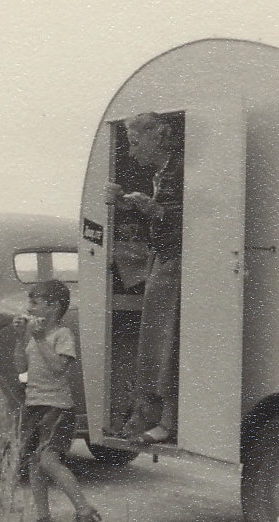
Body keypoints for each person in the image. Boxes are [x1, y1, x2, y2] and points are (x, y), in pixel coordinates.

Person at [105, 112, 183, 444]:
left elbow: (196, 217)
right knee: (157, 341)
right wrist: (127, 205)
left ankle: (164, 420)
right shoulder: (164, 173)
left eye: (136, 143)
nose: (133, 153)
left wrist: (153, 210)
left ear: (158, 136)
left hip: (173, 262)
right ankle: (152, 415)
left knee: (163, 341)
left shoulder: (180, 171)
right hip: (162, 259)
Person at [14, 280, 101, 522]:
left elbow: (58, 368)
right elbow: (20, 368)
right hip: (35, 405)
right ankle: (44, 517)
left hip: (57, 407)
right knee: (33, 463)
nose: (29, 308)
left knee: (49, 460)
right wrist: (21, 339)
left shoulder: (62, 335)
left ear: (53, 307)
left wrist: (39, 340)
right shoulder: (34, 337)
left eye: (35, 303)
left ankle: (86, 512)